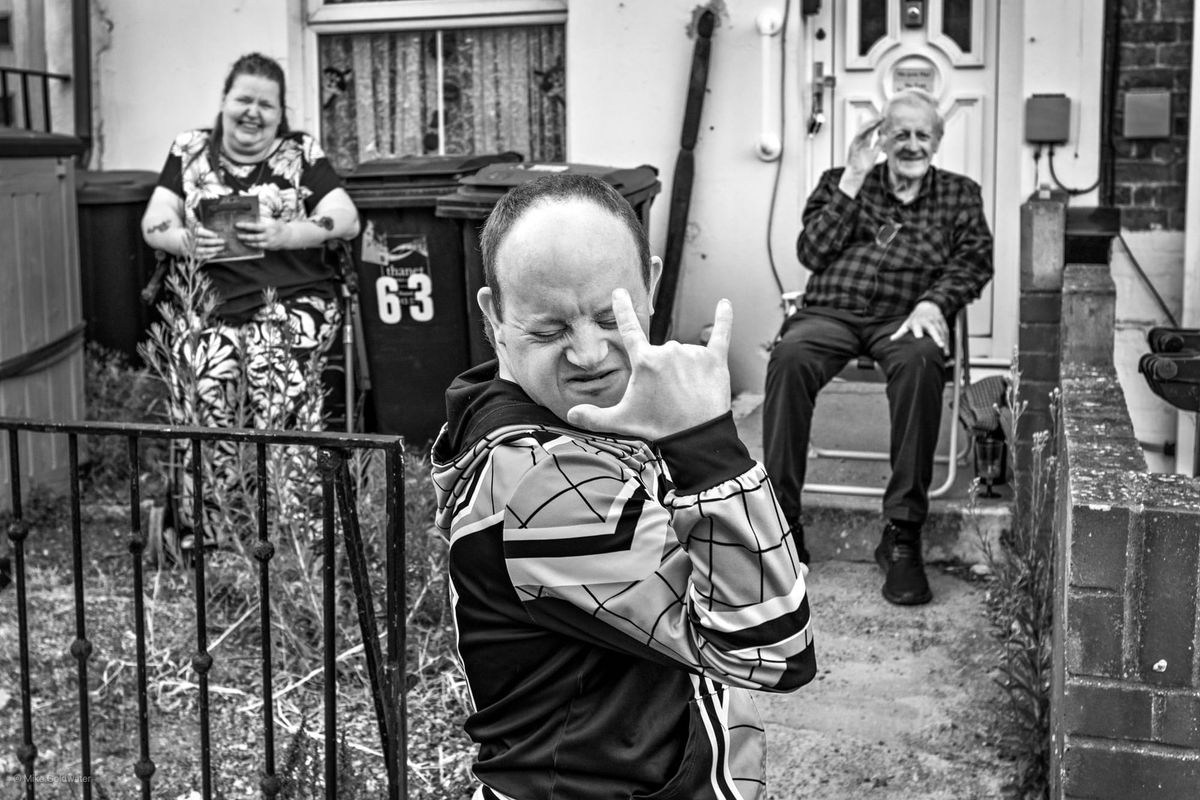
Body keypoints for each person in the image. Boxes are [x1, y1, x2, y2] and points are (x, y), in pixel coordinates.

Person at [431, 174, 816, 800]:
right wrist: (704, 443)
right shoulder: (540, 482)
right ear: (493, 316)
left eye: (613, 315)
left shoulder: (576, 425)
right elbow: (770, 648)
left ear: (654, 285)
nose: (589, 354)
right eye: (549, 330)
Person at [763, 88, 993, 606]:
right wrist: (851, 179)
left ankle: (902, 534)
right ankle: (783, 523)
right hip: (830, 312)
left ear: (937, 140)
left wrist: (936, 302)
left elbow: (974, 261)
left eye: (922, 134)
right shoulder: (841, 183)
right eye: (901, 133)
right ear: (882, 136)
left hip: (905, 315)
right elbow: (812, 251)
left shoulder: (959, 194)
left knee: (920, 363)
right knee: (791, 356)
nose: (911, 144)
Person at [141, 52, 361, 549]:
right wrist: (184, 241)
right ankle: (212, 534)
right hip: (210, 304)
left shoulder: (299, 152)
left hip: (293, 299)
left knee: (271, 371)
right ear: (223, 101)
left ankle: (296, 539)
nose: (253, 112)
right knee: (204, 381)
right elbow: (154, 223)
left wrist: (286, 232)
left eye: (267, 104)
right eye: (244, 98)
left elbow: (346, 219)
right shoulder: (190, 149)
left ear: (281, 114)